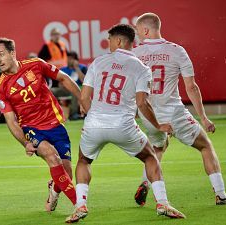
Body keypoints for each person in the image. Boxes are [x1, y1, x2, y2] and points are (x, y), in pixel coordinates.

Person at [66, 24, 185, 223]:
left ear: (119, 41)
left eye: (110, 39)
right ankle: (162, 203)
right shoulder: (141, 68)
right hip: (123, 125)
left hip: (94, 124)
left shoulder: (98, 62)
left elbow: (84, 98)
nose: (108, 43)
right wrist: (159, 125)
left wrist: (93, 114)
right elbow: (142, 103)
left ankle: (80, 205)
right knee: (151, 157)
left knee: (84, 161)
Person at [133, 12, 226, 206]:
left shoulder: (135, 54)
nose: (137, 32)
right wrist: (204, 118)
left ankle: (144, 183)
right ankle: (221, 195)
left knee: (158, 147)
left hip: (148, 114)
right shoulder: (177, 51)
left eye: (138, 29)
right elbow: (191, 87)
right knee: (205, 145)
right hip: (173, 112)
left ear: (146, 30)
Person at [0, 38, 82, 218]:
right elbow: (11, 121)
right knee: (52, 156)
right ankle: (80, 206)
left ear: (12, 53)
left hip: (55, 122)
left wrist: (81, 99)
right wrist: (25, 142)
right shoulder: (0, 88)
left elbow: (63, 78)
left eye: (1, 54)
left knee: (66, 174)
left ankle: (54, 191)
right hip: (31, 128)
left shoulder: (36, 64)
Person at [60, 51, 87, 119]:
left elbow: (84, 81)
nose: (69, 61)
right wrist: (62, 85)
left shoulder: (82, 68)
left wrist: (76, 68)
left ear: (75, 60)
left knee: (74, 91)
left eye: (71, 59)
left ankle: (73, 114)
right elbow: (59, 83)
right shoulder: (63, 69)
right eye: (68, 58)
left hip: (79, 89)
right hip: (65, 89)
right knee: (52, 91)